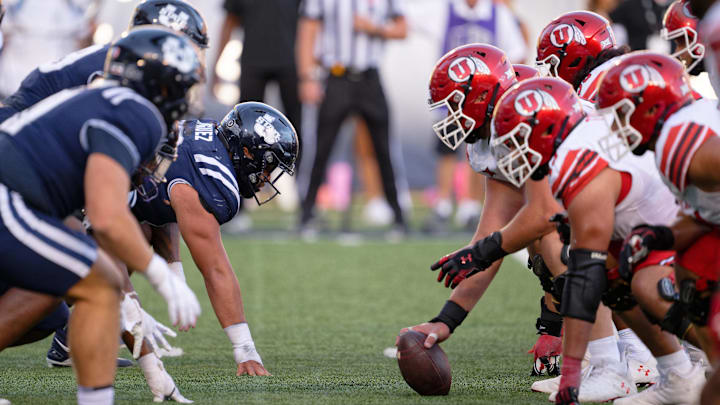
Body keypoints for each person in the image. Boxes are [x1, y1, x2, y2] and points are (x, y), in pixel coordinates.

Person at [396, 44, 634, 401]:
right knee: (548, 240)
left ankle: (618, 361)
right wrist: (447, 319)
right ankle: (622, 356)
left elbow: (541, 215)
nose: (451, 117)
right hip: (620, 210)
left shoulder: (533, 118)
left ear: (480, 98)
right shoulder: (496, 137)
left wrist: (482, 251)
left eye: (456, 104)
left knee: (556, 238)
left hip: (645, 205)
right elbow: (494, 230)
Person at [0, 27, 203, 405]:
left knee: (74, 290)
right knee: (99, 283)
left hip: (15, 197)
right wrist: (162, 275)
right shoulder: (137, 112)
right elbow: (107, 217)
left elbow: (84, 230)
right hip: (7, 197)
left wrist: (150, 365)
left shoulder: (98, 99)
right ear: (161, 86)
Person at [491, 75, 705, 404]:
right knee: (612, 275)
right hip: (676, 229)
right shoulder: (577, 148)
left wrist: (572, 373)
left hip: (693, 237)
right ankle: (678, 374)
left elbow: (583, 274)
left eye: (518, 139)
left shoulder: (579, 159)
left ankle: (697, 359)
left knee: (646, 282)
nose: (514, 153)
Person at [130, 101, 299, 377]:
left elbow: (164, 198)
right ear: (247, 152)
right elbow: (216, 270)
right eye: (267, 166)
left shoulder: (203, 133)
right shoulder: (212, 179)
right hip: (79, 198)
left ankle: (73, 328)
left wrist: (174, 271)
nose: (266, 178)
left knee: (138, 227)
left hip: (103, 190)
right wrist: (244, 348)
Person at [595, 51, 720, 405]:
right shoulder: (676, 135)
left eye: (621, 115)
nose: (616, 128)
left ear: (650, 110)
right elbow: (706, 213)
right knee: (687, 273)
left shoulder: (679, 143)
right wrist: (660, 236)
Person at [296, 0, 408, 236]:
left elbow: (402, 29)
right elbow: (308, 29)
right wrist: (307, 77)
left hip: (370, 77)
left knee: (383, 148)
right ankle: (306, 213)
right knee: (321, 148)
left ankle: (398, 215)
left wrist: (375, 28)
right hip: (337, 76)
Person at [0, 0, 209, 124]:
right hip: (19, 121)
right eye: (186, 51)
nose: (196, 66)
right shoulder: (120, 68)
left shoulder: (119, 58)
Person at [423, 0, 527, 233]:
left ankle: (470, 205)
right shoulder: (444, 9)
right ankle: (442, 203)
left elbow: (518, 54)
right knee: (446, 149)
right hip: (453, 98)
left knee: (478, 148)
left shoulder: (498, 14)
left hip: (484, 99)